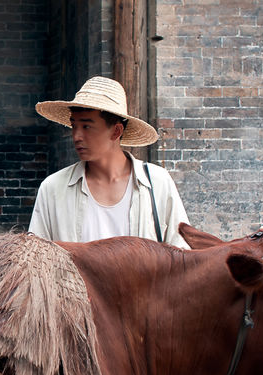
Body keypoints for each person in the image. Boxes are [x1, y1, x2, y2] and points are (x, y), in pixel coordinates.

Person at [29, 76, 190, 248]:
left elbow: (182, 255)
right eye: (74, 126)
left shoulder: (157, 184)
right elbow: (36, 260)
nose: (76, 136)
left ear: (116, 131)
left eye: (87, 126)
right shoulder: (53, 188)